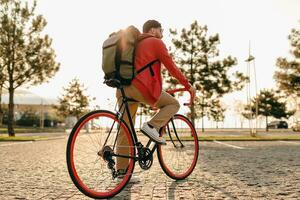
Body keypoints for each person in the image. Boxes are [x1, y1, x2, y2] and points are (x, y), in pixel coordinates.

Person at [116, 20, 196, 173]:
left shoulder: (134, 44)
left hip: (122, 88)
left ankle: (122, 172)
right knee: (173, 104)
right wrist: (188, 86)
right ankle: (151, 126)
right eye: (161, 30)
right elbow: (171, 67)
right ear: (153, 30)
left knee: (125, 129)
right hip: (140, 88)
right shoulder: (155, 42)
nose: (162, 34)